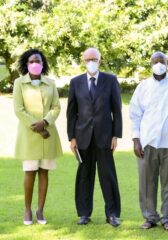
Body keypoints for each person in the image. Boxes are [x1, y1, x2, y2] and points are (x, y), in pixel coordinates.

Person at [129, 51, 168, 231]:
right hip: (147, 142)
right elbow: (135, 115)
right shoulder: (143, 87)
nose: (159, 64)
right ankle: (150, 217)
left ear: (167, 63)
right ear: (150, 64)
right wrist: (135, 139)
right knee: (146, 182)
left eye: (162, 61)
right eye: (155, 61)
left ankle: (167, 217)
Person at [66, 47, 122, 227]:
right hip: (82, 138)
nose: (91, 62)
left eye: (94, 59)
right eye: (88, 59)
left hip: (105, 137)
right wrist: (72, 138)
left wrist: (116, 135)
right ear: (83, 61)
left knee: (108, 176)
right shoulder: (75, 82)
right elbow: (71, 113)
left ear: (100, 60)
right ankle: (83, 213)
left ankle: (112, 214)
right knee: (84, 176)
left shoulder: (110, 80)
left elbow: (117, 110)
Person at [13, 49, 63, 225]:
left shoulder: (50, 83)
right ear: (27, 64)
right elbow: (19, 110)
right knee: (29, 171)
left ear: (43, 64)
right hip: (29, 135)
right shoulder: (19, 83)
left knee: (44, 172)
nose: (35, 64)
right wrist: (37, 126)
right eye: (32, 61)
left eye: (39, 61)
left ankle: (40, 210)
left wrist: (45, 122)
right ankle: (27, 210)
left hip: (48, 135)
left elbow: (56, 107)